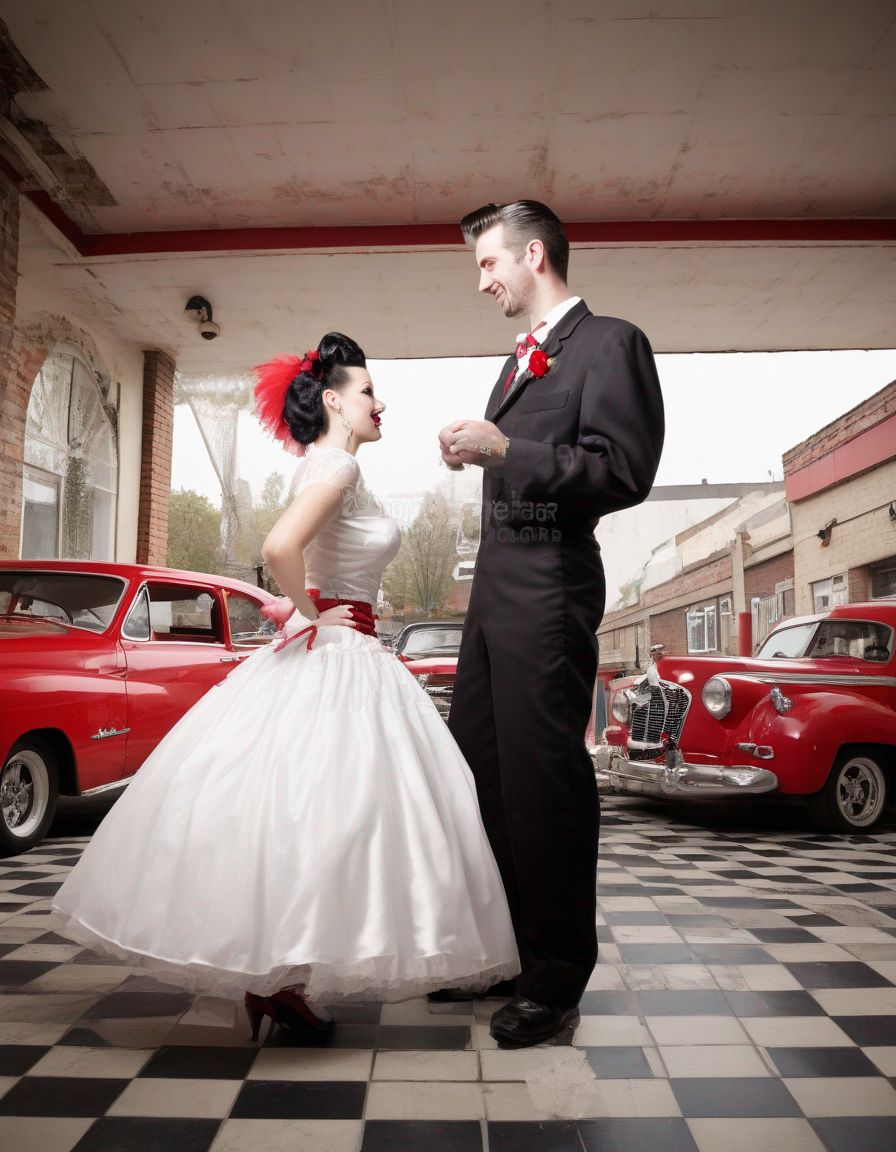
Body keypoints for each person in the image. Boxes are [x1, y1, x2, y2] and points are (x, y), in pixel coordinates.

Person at [54, 332, 519, 1039]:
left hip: (338, 647)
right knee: (336, 816)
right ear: (334, 400)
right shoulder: (336, 466)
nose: (379, 402)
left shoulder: (323, 464)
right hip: (339, 650)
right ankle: (284, 979)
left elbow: (296, 553)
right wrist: (315, 611)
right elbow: (279, 547)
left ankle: (282, 982)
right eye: (368, 391)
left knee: (310, 816)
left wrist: (311, 607)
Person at [437, 201, 664, 1048]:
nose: (485, 280)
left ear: (535, 254)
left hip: (551, 581)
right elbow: (521, 457)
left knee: (544, 784)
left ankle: (555, 978)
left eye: (490, 263)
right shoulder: (517, 361)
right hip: (494, 592)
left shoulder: (612, 344)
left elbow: (624, 469)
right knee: (484, 774)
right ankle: (503, 954)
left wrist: (504, 450)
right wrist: (475, 450)